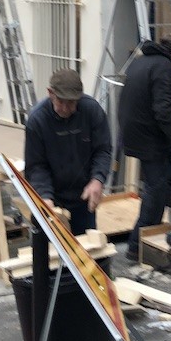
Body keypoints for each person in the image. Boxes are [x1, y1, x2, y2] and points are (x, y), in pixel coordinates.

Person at [120, 32, 171, 263]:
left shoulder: (141, 62)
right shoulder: (166, 70)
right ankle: (137, 247)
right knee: (155, 189)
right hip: (148, 135)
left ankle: (168, 193)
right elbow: (164, 111)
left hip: (134, 130)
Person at [24, 68, 112, 237]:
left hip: (83, 197)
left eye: (71, 103)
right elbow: (36, 166)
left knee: (85, 249)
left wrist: (97, 179)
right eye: (60, 101)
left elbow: (102, 150)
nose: (65, 108)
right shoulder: (37, 120)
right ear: (50, 93)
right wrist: (45, 197)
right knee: (48, 250)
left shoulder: (91, 111)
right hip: (52, 198)